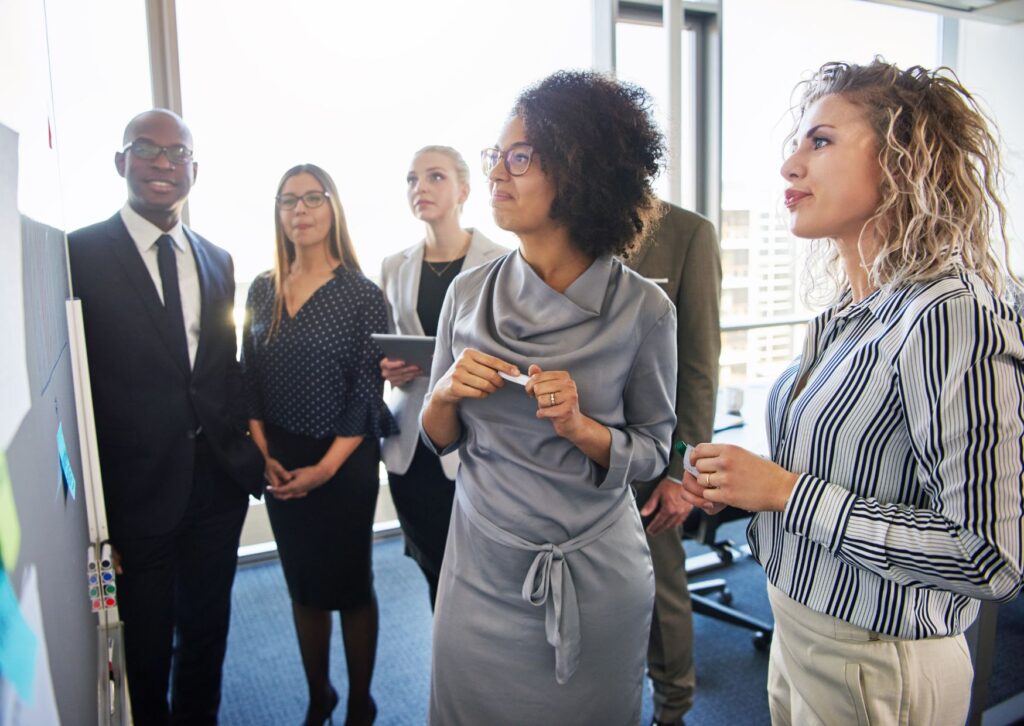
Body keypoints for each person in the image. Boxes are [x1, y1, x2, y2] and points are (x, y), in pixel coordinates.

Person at [680, 59, 1024, 725]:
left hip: (876, 666)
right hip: (800, 632)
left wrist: (784, 493)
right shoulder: (850, 310)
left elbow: (990, 559)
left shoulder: (948, 313)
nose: (789, 165)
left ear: (901, 161)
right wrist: (744, 484)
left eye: (821, 140)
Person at [420, 70, 678, 725]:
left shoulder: (644, 309)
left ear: (579, 170)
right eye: (497, 157)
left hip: (593, 579)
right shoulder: (466, 294)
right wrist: (446, 392)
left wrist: (582, 427)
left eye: (520, 157)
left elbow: (653, 453)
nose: (498, 174)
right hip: (478, 570)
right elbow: (437, 436)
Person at [68, 109, 264, 724]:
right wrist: (92, 517)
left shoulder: (217, 259)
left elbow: (222, 371)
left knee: (207, 635)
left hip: (215, 486)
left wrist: (247, 453)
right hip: (135, 494)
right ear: (120, 162)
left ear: (194, 171)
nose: (162, 162)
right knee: (147, 646)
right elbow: (75, 393)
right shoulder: (77, 254)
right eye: (146, 148)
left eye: (177, 154)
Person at [240, 164, 397, 726]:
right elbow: (249, 379)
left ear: (333, 209)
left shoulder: (362, 295)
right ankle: (318, 697)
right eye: (288, 201)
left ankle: (360, 702)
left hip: (344, 460)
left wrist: (324, 471)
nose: (300, 211)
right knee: (303, 587)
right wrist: (265, 456)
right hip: (279, 460)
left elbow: (365, 392)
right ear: (278, 213)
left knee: (352, 588)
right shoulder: (263, 288)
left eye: (312, 198)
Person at [379, 145, 508, 608]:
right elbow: (393, 344)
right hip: (412, 444)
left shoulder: (503, 261)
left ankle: (475, 669)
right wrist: (389, 368)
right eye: (412, 180)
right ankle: (447, 670)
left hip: (479, 441)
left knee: (479, 571)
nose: (420, 188)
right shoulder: (395, 265)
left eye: (434, 177)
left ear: (464, 190)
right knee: (433, 567)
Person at [629, 201, 721, 726]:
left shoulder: (687, 233)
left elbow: (699, 367)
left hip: (655, 462)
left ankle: (672, 709)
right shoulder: (566, 224)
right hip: (578, 453)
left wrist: (682, 473)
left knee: (662, 594)